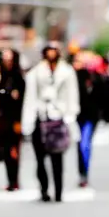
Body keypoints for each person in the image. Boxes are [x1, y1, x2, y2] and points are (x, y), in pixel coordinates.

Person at [21, 41, 80, 202]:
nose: (52, 54)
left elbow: (72, 95)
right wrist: (28, 121)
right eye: (49, 51)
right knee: (40, 159)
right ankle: (44, 189)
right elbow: (30, 98)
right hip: (40, 118)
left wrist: (70, 115)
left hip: (58, 118)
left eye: (54, 51)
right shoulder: (35, 73)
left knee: (57, 158)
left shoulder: (67, 72)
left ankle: (59, 191)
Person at [0, 48, 25, 191]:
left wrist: (19, 122)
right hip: (3, 121)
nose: (6, 61)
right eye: (4, 58)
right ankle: (10, 180)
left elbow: (21, 101)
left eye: (9, 58)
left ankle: (15, 181)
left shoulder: (18, 78)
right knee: (6, 152)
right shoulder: (2, 77)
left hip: (14, 121)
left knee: (14, 152)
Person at [75, 59, 102, 187]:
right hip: (77, 117)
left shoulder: (97, 80)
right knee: (80, 145)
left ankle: (84, 173)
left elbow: (104, 97)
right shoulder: (75, 78)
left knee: (84, 145)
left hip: (90, 118)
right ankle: (82, 172)